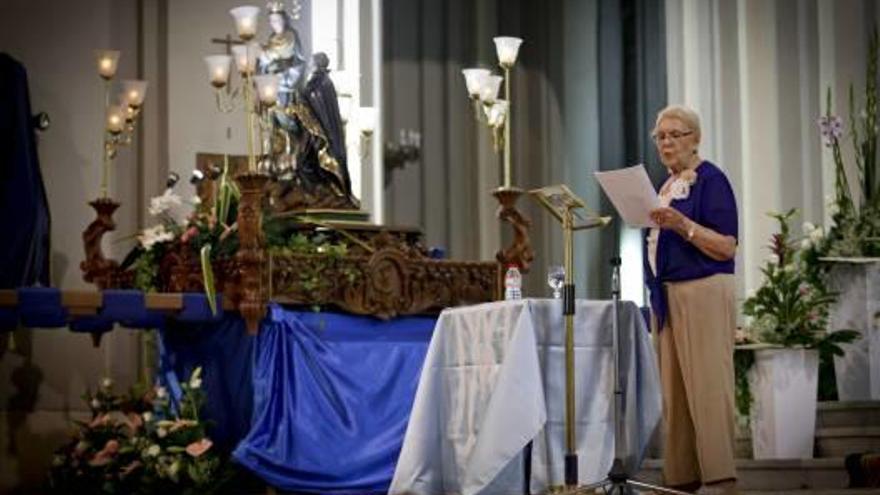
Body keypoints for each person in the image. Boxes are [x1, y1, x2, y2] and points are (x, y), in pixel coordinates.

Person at [644, 105, 739, 494]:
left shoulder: (710, 180)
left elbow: (727, 246)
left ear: (695, 138)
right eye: (660, 136)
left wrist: (684, 226)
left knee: (708, 386)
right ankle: (681, 478)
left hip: (702, 290)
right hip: (667, 296)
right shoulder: (663, 187)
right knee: (676, 393)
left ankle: (721, 478)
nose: (666, 142)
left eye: (674, 134)